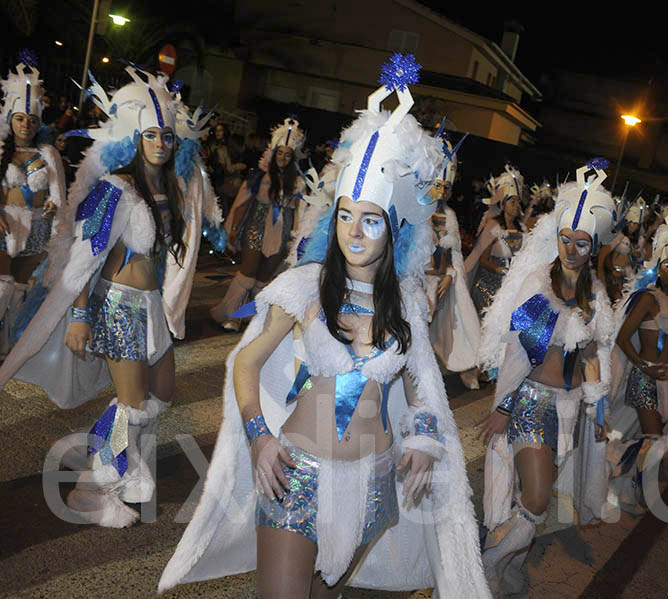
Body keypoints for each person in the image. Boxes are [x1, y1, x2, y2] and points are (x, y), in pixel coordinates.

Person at [159, 55, 489, 599]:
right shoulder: (305, 285)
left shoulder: (407, 300)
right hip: (299, 476)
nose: (354, 232)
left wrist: (427, 438)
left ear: (395, 228)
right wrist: (259, 437)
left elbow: (422, 382)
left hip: (376, 483)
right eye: (344, 215)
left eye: (371, 219)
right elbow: (245, 360)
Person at [0, 65, 220, 527]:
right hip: (118, 307)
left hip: (151, 308)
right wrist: (79, 315)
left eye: (167, 136)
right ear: (135, 138)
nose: (161, 143)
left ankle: (107, 466)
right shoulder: (115, 186)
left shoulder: (173, 188)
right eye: (152, 135)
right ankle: (93, 492)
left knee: (160, 397)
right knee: (132, 405)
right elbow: (82, 257)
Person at [474, 160, 618, 595]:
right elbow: (521, 352)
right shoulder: (539, 283)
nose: (571, 249)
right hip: (532, 404)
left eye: (581, 242)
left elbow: (594, 352)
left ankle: (506, 561)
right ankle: (489, 563)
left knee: (532, 504)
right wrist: (502, 405)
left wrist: (599, 405)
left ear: (594, 247)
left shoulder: (594, 293)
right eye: (565, 239)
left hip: (570, 409)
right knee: (536, 502)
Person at [607, 210, 668, 511]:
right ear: (658, 268)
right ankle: (627, 482)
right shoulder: (648, 298)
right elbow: (623, 337)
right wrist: (641, 366)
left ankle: (621, 481)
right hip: (644, 378)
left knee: (650, 439)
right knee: (654, 439)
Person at [211, 117, 309, 331]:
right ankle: (233, 315)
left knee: (264, 279)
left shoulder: (299, 183)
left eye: (287, 154)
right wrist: (234, 229)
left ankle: (254, 318)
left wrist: (296, 240)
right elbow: (242, 204)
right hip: (255, 230)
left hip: (281, 235)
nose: (283, 158)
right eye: (280, 153)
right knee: (247, 273)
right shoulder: (260, 177)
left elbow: (300, 214)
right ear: (274, 154)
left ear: (293, 158)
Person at [0, 50, 68, 356]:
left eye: (31, 119)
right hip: (5, 227)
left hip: (37, 228)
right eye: (19, 118)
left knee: (21, 291)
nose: (25, 124)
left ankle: (9, 343)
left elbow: (59, 194)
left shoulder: (49, 154)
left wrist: (54, 206)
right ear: (9, 119)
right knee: (2, 285)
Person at [425, 129, 481, 389]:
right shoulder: (412, 211)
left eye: (447, 187)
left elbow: (453, 255)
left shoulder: (449, 216)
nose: (442, 192)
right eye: (438, 185)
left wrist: (450, 275)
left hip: (438, 284)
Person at [465, 164, 526, 316]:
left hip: (510, 287)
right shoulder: (493, 226)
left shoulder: (523, 229)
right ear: (503, 203)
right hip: (488, 287)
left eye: (518, 201)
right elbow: (483, 260)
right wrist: (504, 270)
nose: (516, 205)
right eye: (512, 201)